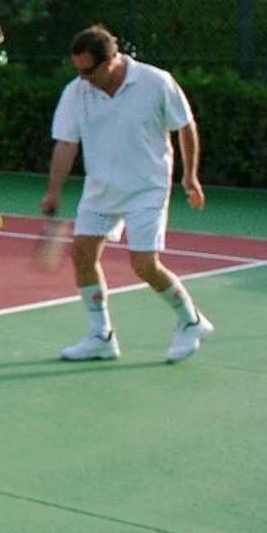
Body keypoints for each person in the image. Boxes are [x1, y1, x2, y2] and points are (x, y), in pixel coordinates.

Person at [41, 24, 210, 363]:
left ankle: (190, 320)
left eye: (89, 70)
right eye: (78, 70)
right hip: (101, 189)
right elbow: (65, 144)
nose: (83, 77)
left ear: (112, 59)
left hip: (147, 188)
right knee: (83, 255)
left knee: (144, 264)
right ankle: (101, 336)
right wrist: (54, 191)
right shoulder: (77, 92)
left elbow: (185, 125)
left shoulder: (156, 82)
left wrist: (190, 177)